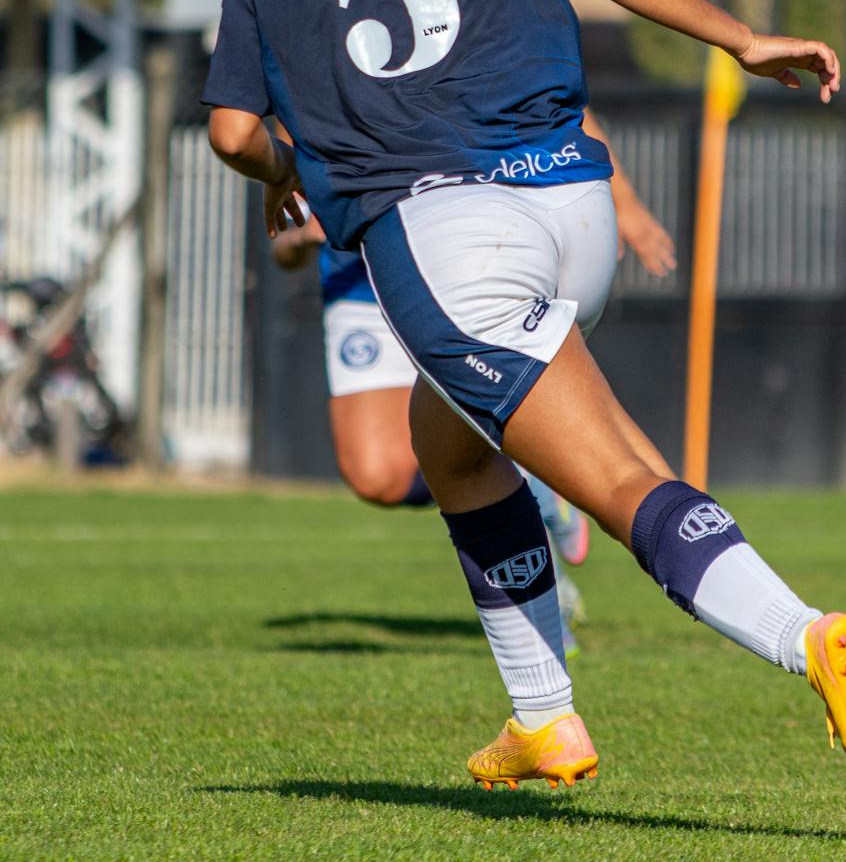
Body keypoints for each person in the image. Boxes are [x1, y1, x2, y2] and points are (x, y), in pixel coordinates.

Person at [203, 0, 846, 800]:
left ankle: (807, 633)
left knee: (624, 480)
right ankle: (543, 719)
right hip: (571, 211)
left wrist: (287, 173)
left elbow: (233, 130)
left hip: (445, 243)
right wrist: (740, 39)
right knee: (446, 445)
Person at [271, 111, 677, 652]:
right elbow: (282, 232)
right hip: (357, 280)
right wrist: (303, 238)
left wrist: (623, 204)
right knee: (377, 475)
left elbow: (565, 105)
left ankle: (543, 613)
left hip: (455, 254)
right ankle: (537, 485)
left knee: (486, 423)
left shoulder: (423, 39)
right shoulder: (296, 81)